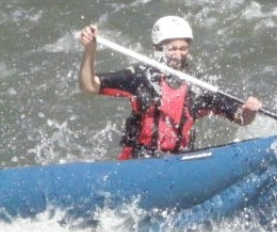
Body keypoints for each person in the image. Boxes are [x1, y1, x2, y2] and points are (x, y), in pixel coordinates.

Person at [78, 16, 263, 160]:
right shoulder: (140, 77)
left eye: (183, 49)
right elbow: (89, 85)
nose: (178, 55)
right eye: (172, 48)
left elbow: (242, 118)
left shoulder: (198, 86)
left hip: (179, 161)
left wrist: (250, 110)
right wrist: (90, 50)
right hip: (139, 160)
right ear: (158, 48)